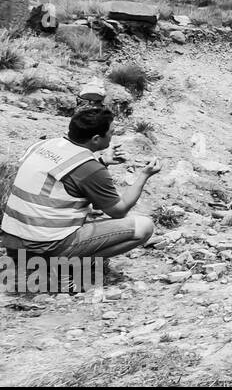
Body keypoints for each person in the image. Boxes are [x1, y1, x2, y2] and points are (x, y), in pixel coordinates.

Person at [2, 107, 159, 289]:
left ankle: (37, 265)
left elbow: (68, 182)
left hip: (13, 243)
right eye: (111, 133)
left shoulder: (44, 145)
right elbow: (119, 210)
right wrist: (144, 175)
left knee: (88, 212)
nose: (112, 137)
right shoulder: (89, 169)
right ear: (96, 139)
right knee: (144, 227)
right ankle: (62, 267)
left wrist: (101, 163)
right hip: (45, 246)